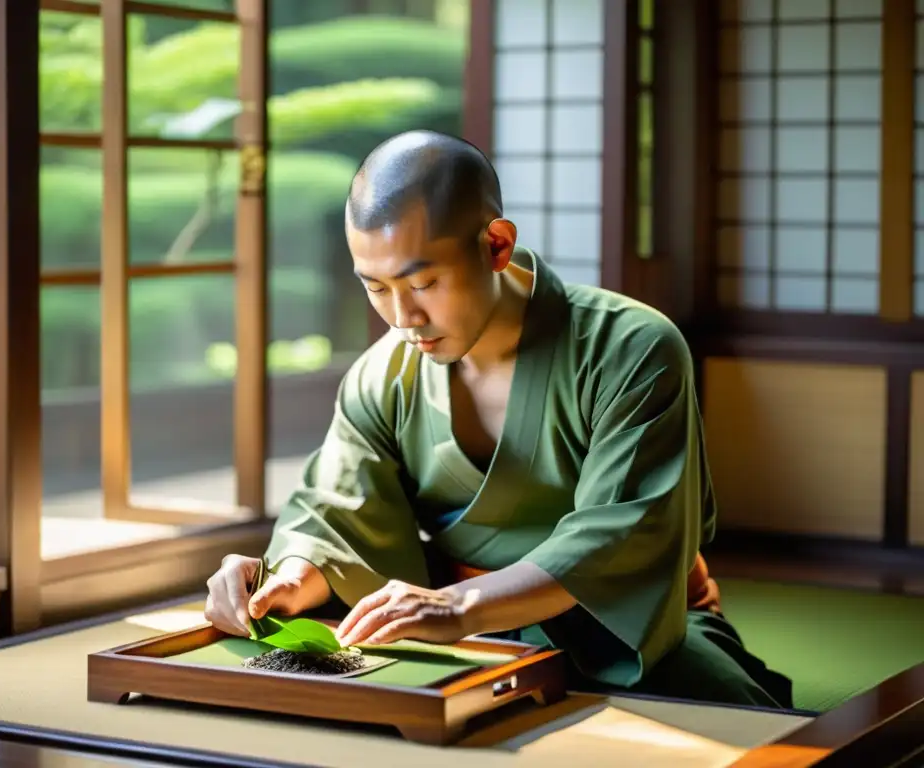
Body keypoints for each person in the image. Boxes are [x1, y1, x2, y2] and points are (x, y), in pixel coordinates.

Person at [204, 130, 793, 709]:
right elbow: (338, 515)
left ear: (496, 246)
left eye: (423, 282)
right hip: (456, 638)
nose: (403, 315)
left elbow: (621, 536)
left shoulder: (631, 348)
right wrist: (287, 579)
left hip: (625, 632)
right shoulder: (380, 375)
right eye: (376, 288)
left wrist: (461, 607)